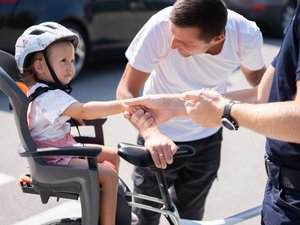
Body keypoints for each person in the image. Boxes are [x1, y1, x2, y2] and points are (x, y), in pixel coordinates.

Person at [126, 2, 300, 224]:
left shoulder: (245, 34)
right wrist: (152, 133)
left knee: (190, 218)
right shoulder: (161, 26)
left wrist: (223, 110)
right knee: (145, 217)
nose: (172, 44)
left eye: (185, 43)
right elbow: (127, 90)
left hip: (207, 141)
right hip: (158, 138)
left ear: (218, 39)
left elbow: (262, 91)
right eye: (173, 35)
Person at [14, 22, 138, 225]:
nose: (71, 66)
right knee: (108, 174)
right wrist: (125, 104)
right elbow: (84, 110)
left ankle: (104, 205)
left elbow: (65, 115)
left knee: (112, 156)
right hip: (53, 158)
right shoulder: (49, 96)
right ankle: (107, 221)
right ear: (39, 66)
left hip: (61, 149)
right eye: (63, 60)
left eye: (72, 60)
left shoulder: (43, 91)